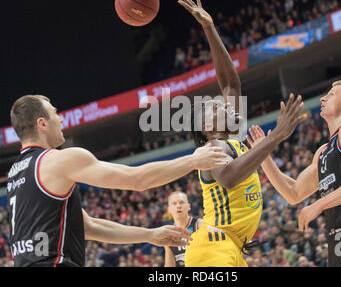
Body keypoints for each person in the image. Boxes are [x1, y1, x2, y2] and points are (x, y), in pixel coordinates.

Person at [6, 95, 229, 267]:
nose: (61, 118)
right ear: (42, 123)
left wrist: (150, 235)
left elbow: (89, 227)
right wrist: (193, 161)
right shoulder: (60, 160)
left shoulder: (16, 175)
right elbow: (137, 179)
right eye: (55, 113)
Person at [177, 0, 304, 267]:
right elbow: (230, 177)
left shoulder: (230, 139)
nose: (222, 104)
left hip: (229, 247)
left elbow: (231, 85)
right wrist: (275, 137)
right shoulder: (211, 149)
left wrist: (209, 28)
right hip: (213, 247)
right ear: (205, 127)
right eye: (214, 107)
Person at [247, 81, 341, 267]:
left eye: (331, 94)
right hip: (337, 238)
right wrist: (263, 155)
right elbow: (293, 193)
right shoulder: (322, 152)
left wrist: (318, 205)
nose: (323, 98)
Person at [164, 191, 203, 267]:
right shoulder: (168, 234)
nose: (178, 206)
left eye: (181, 202)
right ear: (169, 210)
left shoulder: (200, 225)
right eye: (174, 203)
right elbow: (169, 265)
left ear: (188, 206)